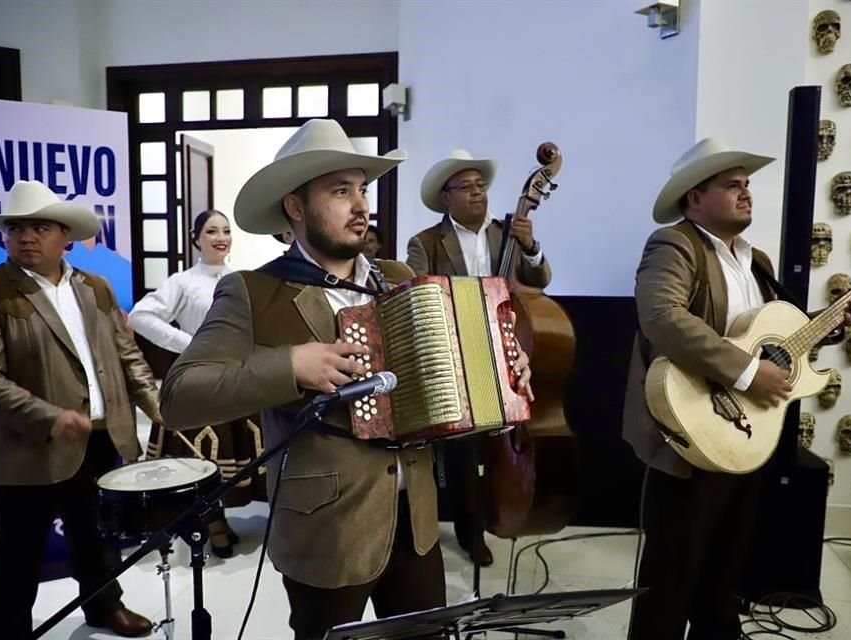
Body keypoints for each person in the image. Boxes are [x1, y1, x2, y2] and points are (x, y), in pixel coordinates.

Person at [159, 119, 536, 639]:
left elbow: (452, 389)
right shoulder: (253, 291)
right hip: (325, 525)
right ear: (295, 206)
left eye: (362, 189)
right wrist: (290, 366)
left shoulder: (402, 280)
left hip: (416, 520)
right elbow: (179, 397)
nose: (361, 205)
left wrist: (502, 379)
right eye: (341, 191)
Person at [622, 138, 851, 640]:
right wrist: (746, 372)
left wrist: (834, 322)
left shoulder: (756, 260)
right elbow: (661, 316)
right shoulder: (674, 244)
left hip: (746, 436)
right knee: (669, 584)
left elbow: (779, 341)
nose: (746, 193)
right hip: (690, 434)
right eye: (731, 185)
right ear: (695, 198)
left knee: (722, 577)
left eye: (747, 184)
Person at [0, 180, 160, 638]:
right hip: (30, 445)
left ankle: (103, 606)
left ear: (66, 237)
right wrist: (49, 418)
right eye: (16, 229)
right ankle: (5, 630)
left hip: (102, 434)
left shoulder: (96, 286)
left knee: (95, 535)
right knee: (18, 549)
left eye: (39, 227)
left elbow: (126, 353)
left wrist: (156, 405)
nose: (26, 237)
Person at [406, 149, 550, 566]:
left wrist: (531, 246)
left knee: (504, 439)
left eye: (480, 185)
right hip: (455, 350)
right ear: (445, 197)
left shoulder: (507, 234)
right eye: (465, 187)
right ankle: (470, 530)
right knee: (465, 449)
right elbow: (417, 291)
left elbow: (540, 277)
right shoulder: (426, 242)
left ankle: (509, 510)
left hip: (505, 344)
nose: (476, 193)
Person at [128, 209, 265, 558]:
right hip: (199, 379)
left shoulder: (244, 279)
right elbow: (140, 316)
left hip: (238, 377)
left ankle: (225, 515)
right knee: (203, 455)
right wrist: (189, 344)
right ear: (196, 237)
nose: (220, 237)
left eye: (226, 231)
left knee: (235, 452)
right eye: (211, 231)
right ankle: (212, 522)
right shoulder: (184, 281)